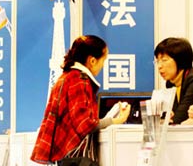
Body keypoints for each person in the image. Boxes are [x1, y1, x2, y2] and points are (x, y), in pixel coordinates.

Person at [31, 35, 131, 165]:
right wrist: (117, 120)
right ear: (92, 60)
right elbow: (85, 124)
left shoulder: (66, 77)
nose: (103, 65)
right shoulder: (79, 80)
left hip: (65, 157)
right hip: (76, 158)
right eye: (103, 60)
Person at [154, 37, 193, 124]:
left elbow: (178, 119)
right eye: (157, 61)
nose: (159, 66)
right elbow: (169, 116)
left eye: (164, 60)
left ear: (180, 60)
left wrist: (170, 119)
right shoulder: (171, 83)